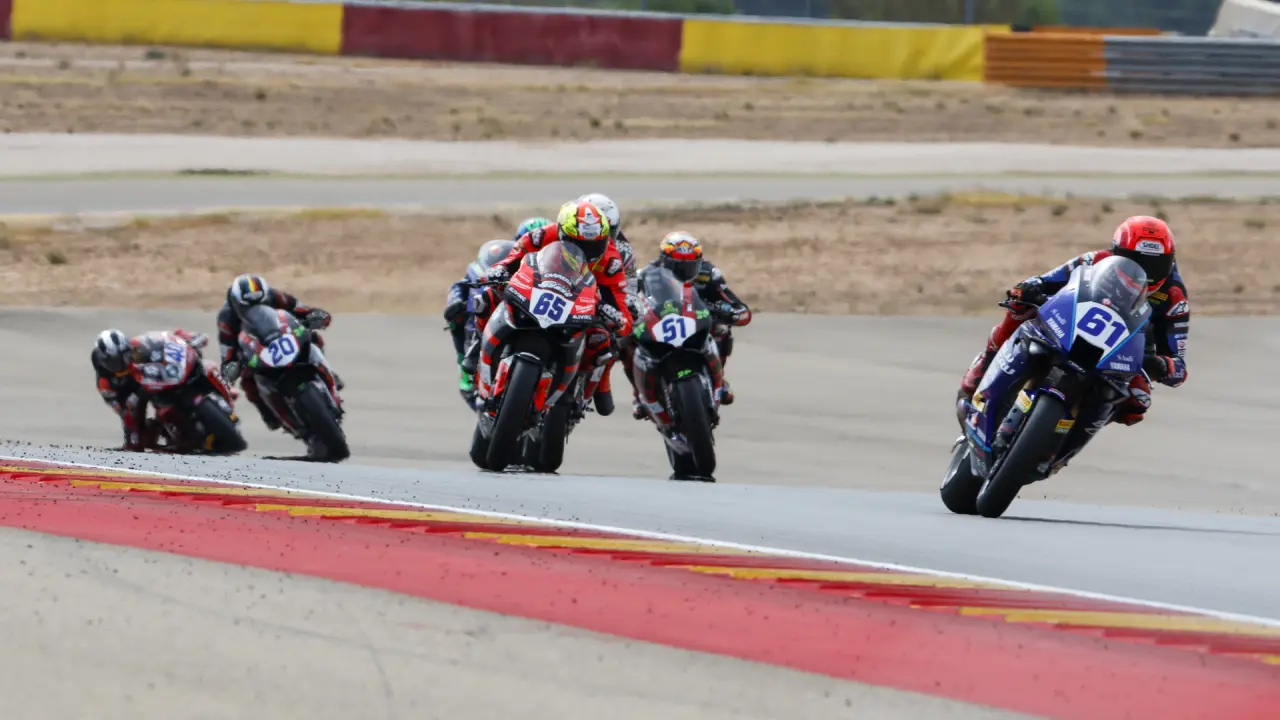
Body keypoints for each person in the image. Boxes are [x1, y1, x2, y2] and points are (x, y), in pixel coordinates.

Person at [958, 215, 1188, 426]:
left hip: (1122, 354)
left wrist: (1161, 365)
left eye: (1156, 265)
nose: (1145, 273)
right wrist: (1027, 290)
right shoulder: (1096, 260)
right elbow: (1043, 282)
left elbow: (1179, 368)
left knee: (1137, 403)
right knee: (1021, 304)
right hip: (1073, 325)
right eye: (1135, 261)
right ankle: (987, 362)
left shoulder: (1174, 296)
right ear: (1116, 253)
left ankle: (1065, 440)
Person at [463, 199, 632, 416]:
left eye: (595, 244)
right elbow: (513, 258)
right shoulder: (541, 236)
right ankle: (477, 345)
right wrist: (499, 270)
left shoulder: (611, 262)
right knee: (487, 296)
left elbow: (621, 308)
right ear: (562, 233)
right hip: (539, 289)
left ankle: (578, 388)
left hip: (580, 304)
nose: (587, 250)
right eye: (578, 243)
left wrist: (616, 318)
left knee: (602, 339)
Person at [622, 231, 752, 419]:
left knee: (722, 328)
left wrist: (729, 312)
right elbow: (629, 300)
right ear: (663, 261)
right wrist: (630, 315)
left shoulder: (708, 274)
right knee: (628, 342)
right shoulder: (647, 275)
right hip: (663, 324)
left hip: (697, 320)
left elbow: (737, 307)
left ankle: (719, 378)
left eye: (690, 266)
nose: (683, 272)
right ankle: (638, 393)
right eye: (677, 266)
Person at [216, 274, 341, 433]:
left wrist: (315, 315)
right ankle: (269, 414)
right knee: (247, 380)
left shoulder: (275, 296)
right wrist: (230, 366)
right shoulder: (227, 317)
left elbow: (300, 309)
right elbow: (227, 347)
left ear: (265, 296)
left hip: (282, 335)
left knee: (313, 337)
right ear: (236, 302)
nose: (256, 309)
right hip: (255, 347)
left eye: (260, 303)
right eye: (248, 307)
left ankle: (326, 370)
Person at [92, 327, 208, 451]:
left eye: (125, 355)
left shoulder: (138, 346)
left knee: (200, 365)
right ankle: (173, 435)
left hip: (160, 379)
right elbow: (121, 409)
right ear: (102, 360)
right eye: (114, 360)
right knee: (137, 436)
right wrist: (130, 415)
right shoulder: (105, 383)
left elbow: (164, 338)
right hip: (137, 395)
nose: (122, 362)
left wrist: (183, 339)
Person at [444, 237, 518, 407]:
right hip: (482, 325)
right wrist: (455, 302)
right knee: (458, 321)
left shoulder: (541, 266)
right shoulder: (497, 254)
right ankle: (467, 366)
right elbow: (460, 286)